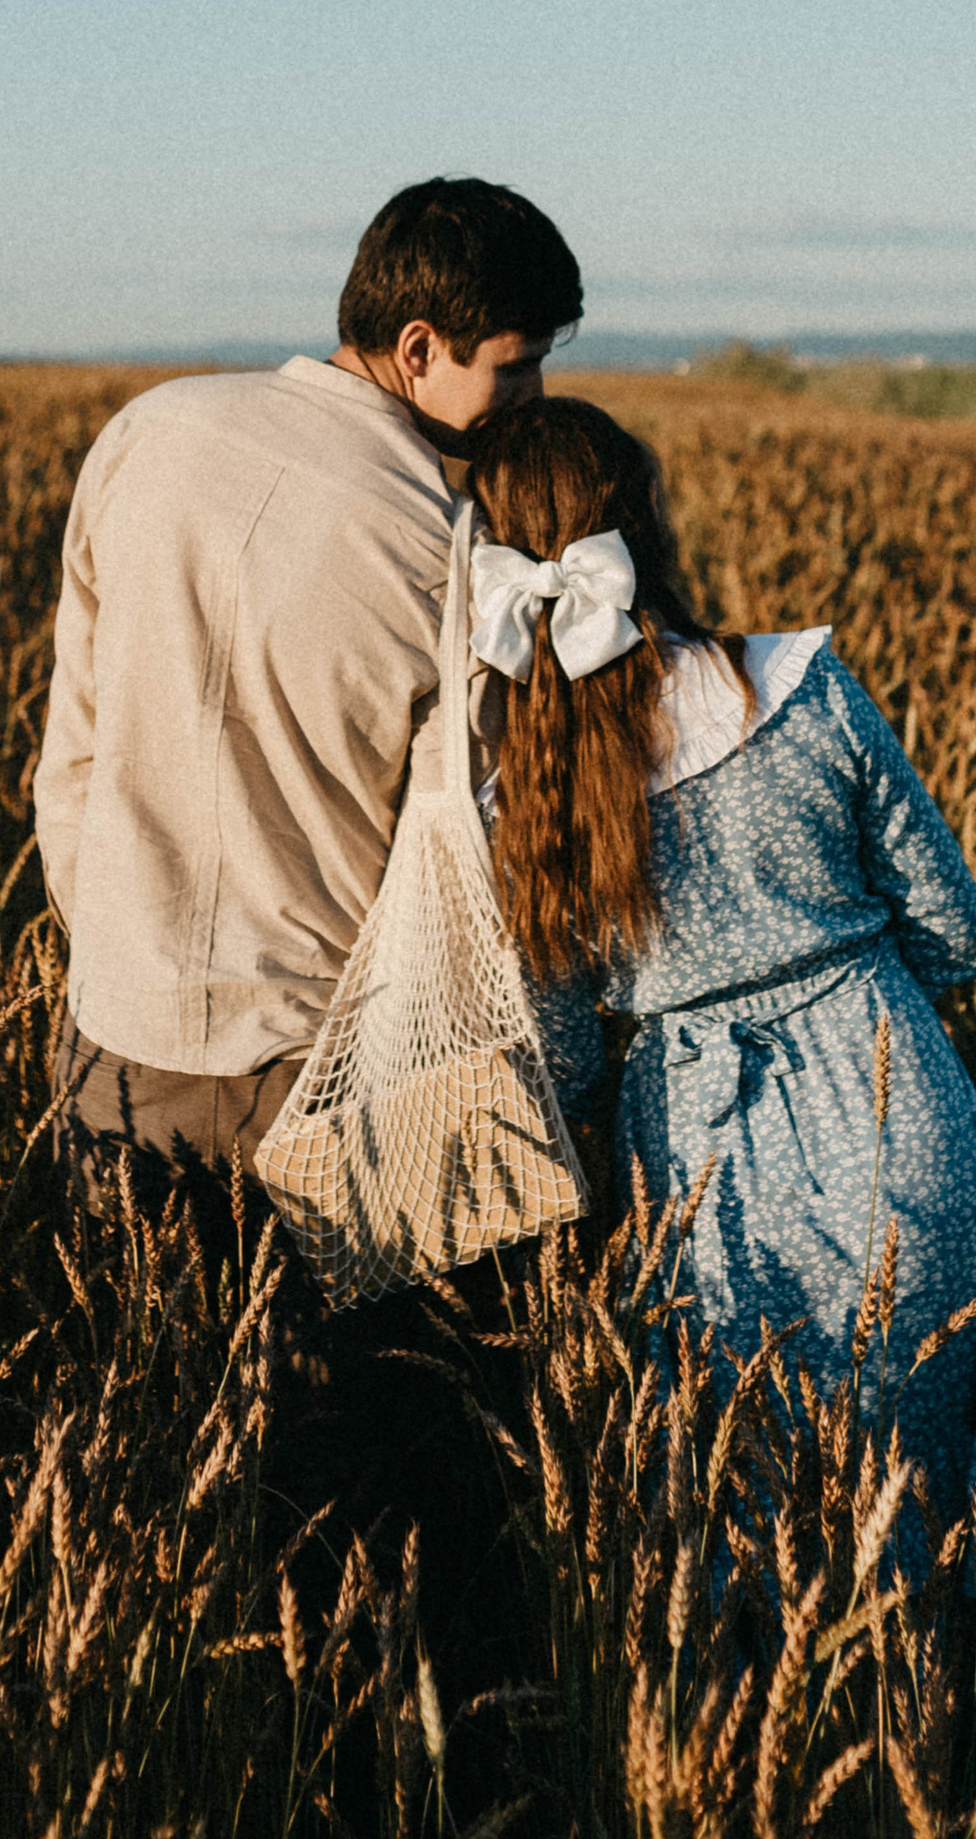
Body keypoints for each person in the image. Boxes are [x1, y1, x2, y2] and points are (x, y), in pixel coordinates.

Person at [462, 395, 976, 1611]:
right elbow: (959, 931)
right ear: (645, 529)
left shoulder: (522, 789)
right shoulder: (801, 688)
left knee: (756, 1484)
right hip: (887, 1085)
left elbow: (560, 1051)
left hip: (695, 1155)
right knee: (933, 1454)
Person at [33, 176, 584, 1187]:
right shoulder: (447, 548)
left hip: (112, 1029)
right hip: (317, 1065)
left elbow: (75, 732)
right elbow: (458, 850)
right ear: (419, 348)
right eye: (517, 367)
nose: (532, 400)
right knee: (325, 1352)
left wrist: (108, 933)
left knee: (128, 1343)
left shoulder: (147, 431)